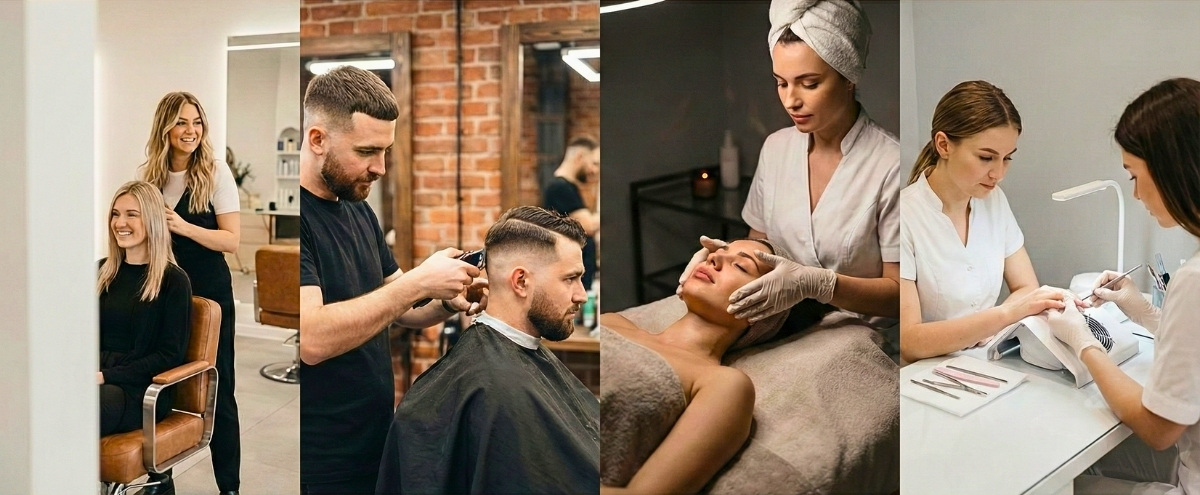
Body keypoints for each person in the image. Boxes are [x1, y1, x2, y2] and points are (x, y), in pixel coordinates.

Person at [299, 65, 487, 494]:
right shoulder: (301, 221)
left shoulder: (357, 208)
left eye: (386, 151)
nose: (380, 168)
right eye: (367, 151)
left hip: (373, 438)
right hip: (320, 459)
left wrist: (445, 298)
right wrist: (419, 282)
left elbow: (400, 307)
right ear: (318, 139)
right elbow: (313, 339)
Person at [681, 0, 900, 327]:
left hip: (863, 337)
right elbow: (759, 249)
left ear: (848, 77)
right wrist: (724, 258)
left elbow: (901, 296)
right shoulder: (776, 148)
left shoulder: (890, 164)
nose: (791, 101)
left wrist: (820, 285)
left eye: (810, 84)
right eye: (781, 83)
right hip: (785, 327)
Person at [375, 206, 599, 494]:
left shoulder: (504, 372)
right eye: (570, 278)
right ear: (521, 281)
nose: (581, 295)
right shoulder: (489, 387)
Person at [1047, 78, 1200, 494]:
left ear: (1171, 168)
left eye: (1133, 175)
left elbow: (1158, 428)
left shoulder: (1193, 279)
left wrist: (1084, 344)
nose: (1134, 194)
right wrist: (1147, 314)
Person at [898, 80, 1072, 363]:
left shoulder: (994, 200)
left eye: (1007, 158)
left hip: (986, 361)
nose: (998, 174)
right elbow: (910, 341)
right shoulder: (903, 216)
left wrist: (991, 324)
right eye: (986, 157)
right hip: (926, 373)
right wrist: (999, 317)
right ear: (943, 145)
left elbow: (1027, 287)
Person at [601, 239, 791, 494]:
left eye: (741, 266)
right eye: (719, 252)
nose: (714, 258)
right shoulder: (612, 322)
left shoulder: (723, 384)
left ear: (764, 308)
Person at [138, 92, 241, 495]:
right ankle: (159, 478)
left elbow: (231, 241)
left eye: (196, 122)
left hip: (209, 295)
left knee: (218, 389)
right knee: (157, 381)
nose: (191, 130)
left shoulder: (215, 172)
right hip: (162, 293)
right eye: (181, 122)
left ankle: (229, 487)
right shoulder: (149, 177)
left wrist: (182, 226)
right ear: (165, 127)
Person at [99, 181, 193, 441]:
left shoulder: (173, 281)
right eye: (115, 214)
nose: (120, 223)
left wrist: (105, 376)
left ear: (152, 220)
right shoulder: (101, 272)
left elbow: (169, 355)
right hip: (97, 377)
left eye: (132, 214)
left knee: (81, 407)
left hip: (141, 389)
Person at [543, 136, 600, 290]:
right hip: (572, 279)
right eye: (594, 163)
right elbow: (588, 226)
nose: (595, 170)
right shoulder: (560, 188)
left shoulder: (568, 187)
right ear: (580, 157)